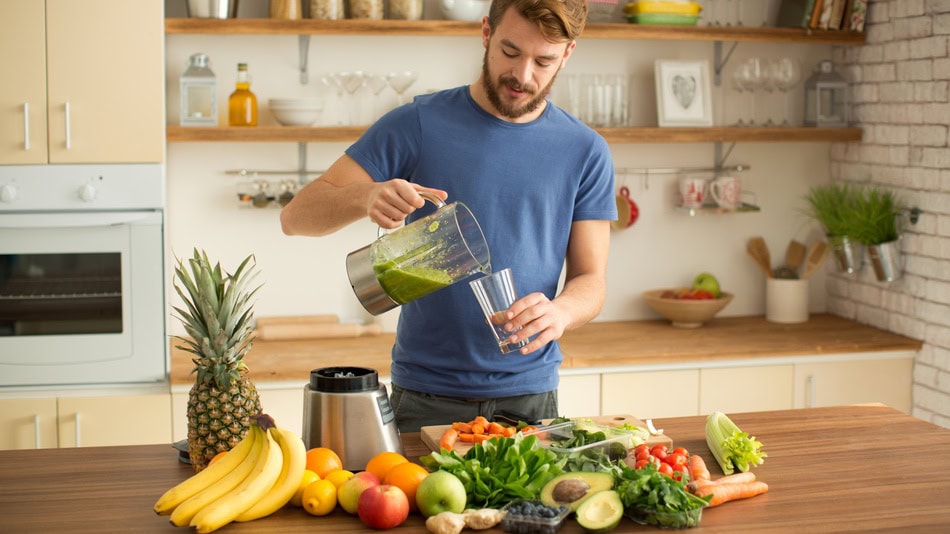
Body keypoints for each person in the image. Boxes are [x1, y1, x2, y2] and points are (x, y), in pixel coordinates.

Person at [280, 0, 616, 432]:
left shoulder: (585, 150)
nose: (523, 75)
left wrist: (562, 312)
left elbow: (592, 280)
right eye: (511, 52)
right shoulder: (416, 124)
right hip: (424, 396)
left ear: (566, 55)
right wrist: (364, 197)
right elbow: (296, 217)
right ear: (486, 34)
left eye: (544, 60)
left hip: (531, 396)